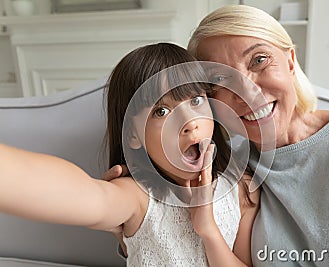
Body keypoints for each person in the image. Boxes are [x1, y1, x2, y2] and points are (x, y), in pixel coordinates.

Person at [106, 5, 329, 266]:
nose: (245, 92)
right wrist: (127, 226)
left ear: (290, 61)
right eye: (220, 79)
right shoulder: (229, 172)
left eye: (259, 60)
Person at [0, 43, 260, 267]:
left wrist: (208, 229)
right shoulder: (137, 196)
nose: (189, 122)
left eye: (195, 101)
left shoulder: (240, 188)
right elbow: (80, 194)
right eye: (162, 111)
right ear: (133, 135)